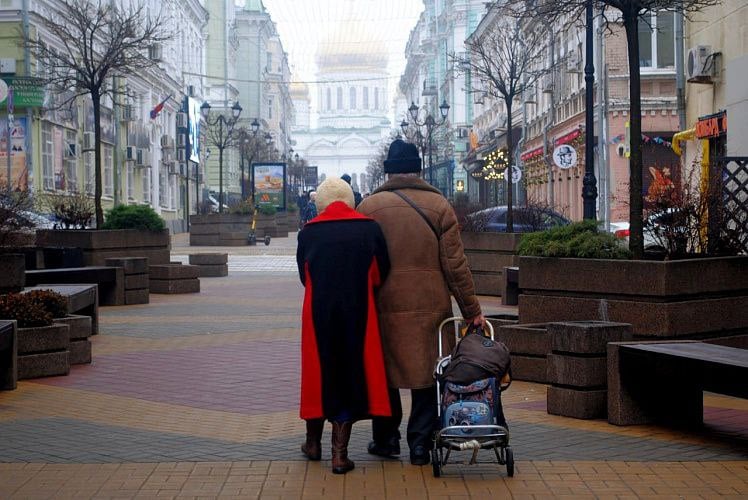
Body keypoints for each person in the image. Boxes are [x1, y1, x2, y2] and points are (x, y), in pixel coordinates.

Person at [357, 139, 485, 466]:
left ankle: (385, 440)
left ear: (389, 170)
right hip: (431, 307)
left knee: (385, 373)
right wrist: (472, 311)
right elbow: (456, 266)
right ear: (418, 169)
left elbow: (357, 263)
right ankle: (420, 444)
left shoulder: (369, 208)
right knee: (428, 375)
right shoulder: (439, 206)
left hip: (383, 304)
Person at [296, 177, 392, 474]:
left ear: (320, 202)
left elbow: (304, 275)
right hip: (358, 312)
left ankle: (313, 444)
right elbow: (380, 271)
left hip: (318, 313)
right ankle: (340, 455)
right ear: (350, 200)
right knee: (349, 373)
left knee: (318, 375)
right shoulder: (369, 228)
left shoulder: (308, 233)